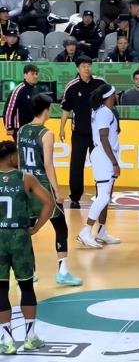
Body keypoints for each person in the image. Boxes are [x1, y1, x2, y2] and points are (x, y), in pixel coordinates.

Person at [18, 94, 82, 286]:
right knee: (60, 226)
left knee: (26, 228)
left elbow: (20, 161)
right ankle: (62, 272)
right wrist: (57, 192)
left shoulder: (21, 130)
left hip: (25, 184)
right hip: (42, 186)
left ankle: (28, 272)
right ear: (47, 110)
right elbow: (48, 165)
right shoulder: (46, 134)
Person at [0, 140, 53, 355]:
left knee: (1, 289)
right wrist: (37, 227)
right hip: (20, 237)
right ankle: (31, 337)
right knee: (27, 287)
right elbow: (49, 202)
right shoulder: (25, 177)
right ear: (12, 156)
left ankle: (7, 341)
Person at [77, 84, 121, 248]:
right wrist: (114, 162)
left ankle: (101, 231)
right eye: (115, 94)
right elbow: (103, 138)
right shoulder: (104, 112)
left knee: (106, 196)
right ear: (109, 96)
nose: (117, 97)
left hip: (104, 156)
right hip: (104, 157)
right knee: (103, 197)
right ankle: (86, 231)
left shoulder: (102, 111)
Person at [60, 56, 106, 209]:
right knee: (76, 165)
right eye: (84, 66)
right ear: (77, 68)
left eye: (89, 65)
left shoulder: (100, 83)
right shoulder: (72, 86)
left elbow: (110, 103)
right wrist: (61, 128)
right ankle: (75, 197)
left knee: (100, 163)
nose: (87, 68)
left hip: (97, 133)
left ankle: (101, 193)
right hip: (79, 132)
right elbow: (66, 109)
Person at [2, 64, 39, 140]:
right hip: (20, 129)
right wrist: (9, 127)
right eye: (32, 74)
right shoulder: (18, 90)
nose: (35, 76)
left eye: (36, 74)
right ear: (25, 75)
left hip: (32, 128)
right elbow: (9, 109)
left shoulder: (35, 90)